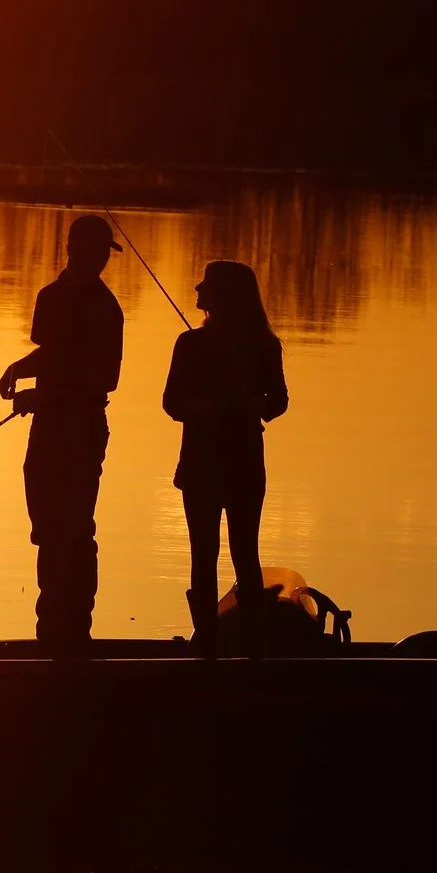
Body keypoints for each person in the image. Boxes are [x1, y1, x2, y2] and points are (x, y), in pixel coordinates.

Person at [0, 214, 125, 648]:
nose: (102, 262)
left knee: (75, 529)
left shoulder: (108, 309)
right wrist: (21, 368)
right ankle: (50, 628)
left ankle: (75, 629)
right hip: (48, 428)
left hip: (83, 427)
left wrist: (42, 397)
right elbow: (50, 353)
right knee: (46, 528)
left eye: (105, 254)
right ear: (74, 249)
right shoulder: (49, 297)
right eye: (97, 251)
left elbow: (104, 380)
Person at [161, 261, 288, 643]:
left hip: (241, 465)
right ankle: (208, 639)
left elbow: (278, 401)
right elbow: (171, 403)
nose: (197, 290)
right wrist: (209, 408)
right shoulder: (189, 344)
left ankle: (247, 640)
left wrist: (252, 405)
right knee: (205, 554)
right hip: (203, 464)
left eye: (206, 286)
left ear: (225, 295)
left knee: (243, 552)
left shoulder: (264, 347)